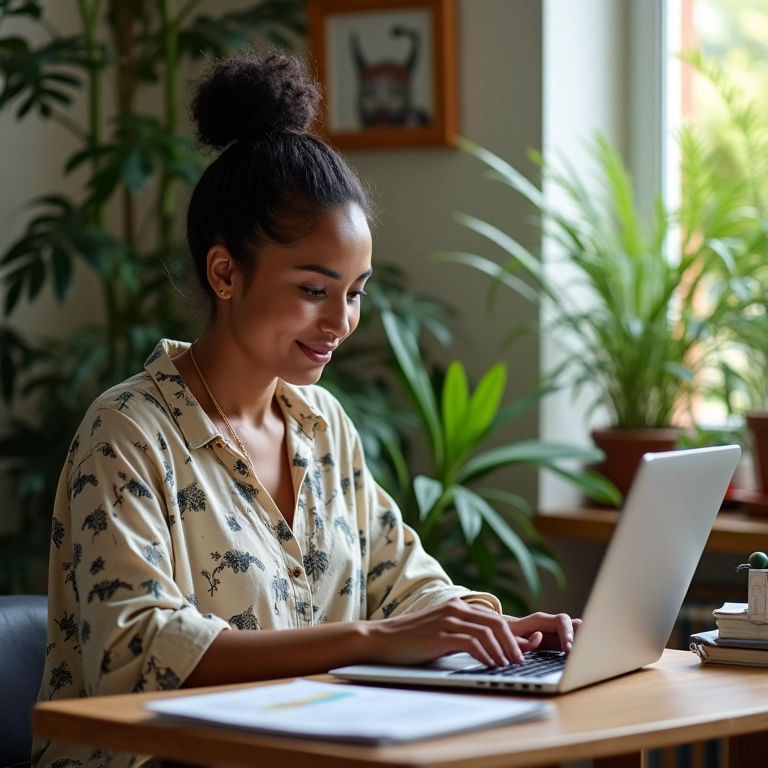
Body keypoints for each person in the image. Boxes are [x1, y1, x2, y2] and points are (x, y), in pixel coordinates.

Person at [32, 50, 578, 768]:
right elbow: (139, 650)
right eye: (314, 290)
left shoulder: (323, 426)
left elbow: (400, 581)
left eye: (355, 292)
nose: (341, 321)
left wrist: (495, 629)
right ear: (224, 272)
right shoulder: (128, 432)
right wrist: (371, 641)